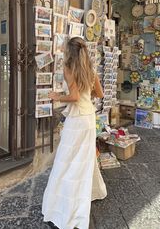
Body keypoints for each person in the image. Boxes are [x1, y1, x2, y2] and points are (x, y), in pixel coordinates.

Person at [42, 36, 107, 229]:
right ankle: (88, 194)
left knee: (67, 160)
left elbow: (74, 96)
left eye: (64, 48)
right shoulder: (90, 69)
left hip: (77, 120)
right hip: (89, 118)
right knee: (84, 160)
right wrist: (88, 95)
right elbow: (100, 94)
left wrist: (56, 96)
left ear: (69, 51)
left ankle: (66, 205)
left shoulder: (69, 68)